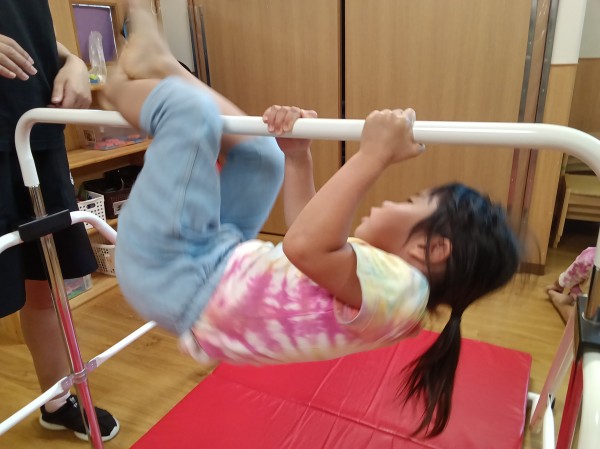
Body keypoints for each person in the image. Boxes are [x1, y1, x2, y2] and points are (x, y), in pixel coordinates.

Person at [105, 0, 520, 437]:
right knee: (265, 156)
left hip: (175, 279)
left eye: (412, 200)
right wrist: (298, 158)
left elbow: (303, 245)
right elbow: (304, 238)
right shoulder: (388, 288)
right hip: (213, 265)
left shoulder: (402, 292)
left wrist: (375, 155)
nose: (393, 202)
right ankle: (163, 65)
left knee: (189, 115)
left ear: (431, 248)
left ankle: (109, 84)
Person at [0, 1, 119, 442]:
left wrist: (72, 62)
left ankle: (56, 402)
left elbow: (32, 30)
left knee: (44, 286)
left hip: (35, 132)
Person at [545, 246, 595, 323]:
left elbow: (571, 274)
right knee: (579, 323)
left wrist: (557, 285)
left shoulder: (589, 256)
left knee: (582, 322)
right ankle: (563, 301)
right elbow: (572, 274)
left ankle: (562, 301)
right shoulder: (591, 257)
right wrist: (557, 285)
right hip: (584, 301)